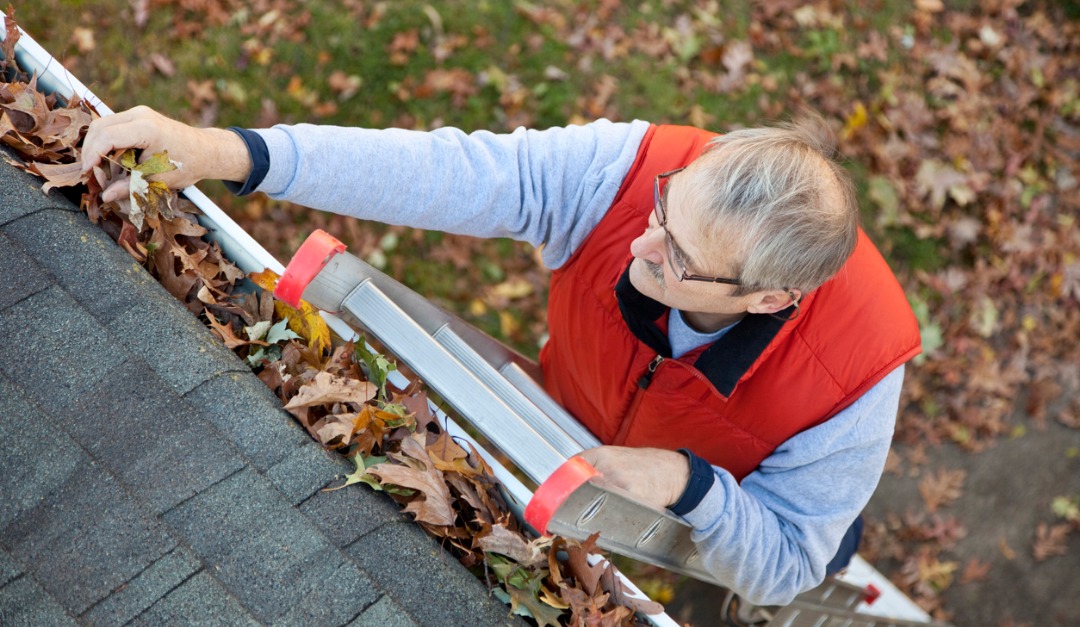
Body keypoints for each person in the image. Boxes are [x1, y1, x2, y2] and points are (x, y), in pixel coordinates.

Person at [81, 106, 920, 608]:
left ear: (766, 299)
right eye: (666, 208)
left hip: (715, 494)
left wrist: (688, 484)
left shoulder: (856, 376)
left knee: (799, 568)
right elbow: (448, 170)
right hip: (565, 416)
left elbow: (783, 560)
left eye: (679, 259)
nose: (640, 240)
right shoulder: (635, 174)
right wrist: (233, 152)